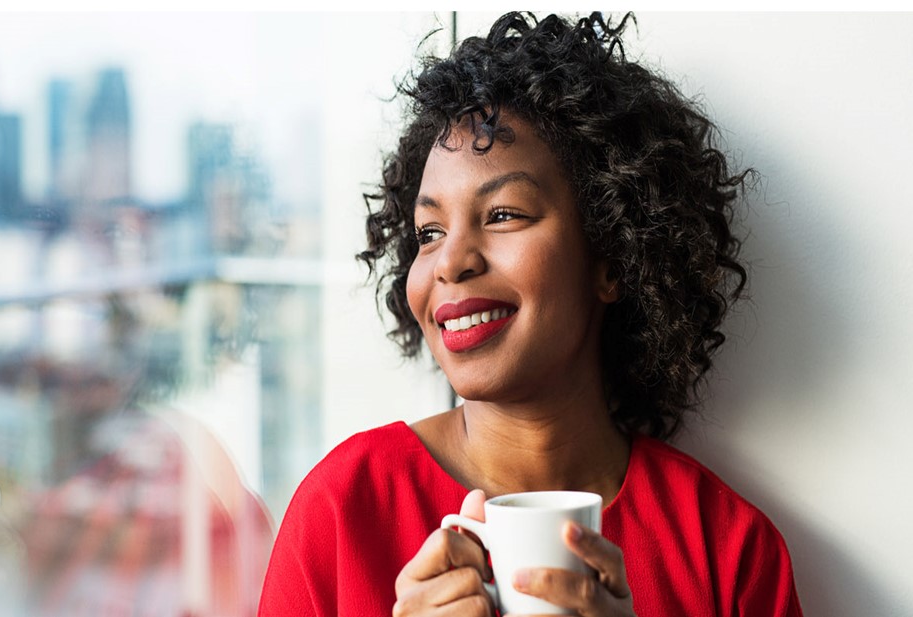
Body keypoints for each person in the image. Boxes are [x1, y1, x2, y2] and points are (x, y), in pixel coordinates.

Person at [258, 11, 802, 616]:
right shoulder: (342, 509)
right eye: (429, 231)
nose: (450, 262)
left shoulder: (727, 549)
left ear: (613, 257)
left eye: (503, 214)